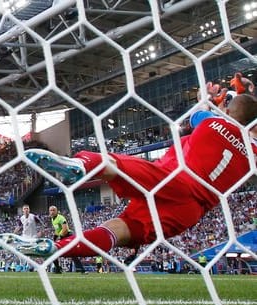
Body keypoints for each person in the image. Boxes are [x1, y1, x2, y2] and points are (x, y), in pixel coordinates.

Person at [21, 88, 257, 261]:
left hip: (174, 180)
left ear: (228, 110)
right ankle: (56, 247)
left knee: (113, 163)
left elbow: (197, 116)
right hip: (190, 211)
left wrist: (204, 101)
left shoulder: (211, 123)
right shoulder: (254, 154)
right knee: (120, 230)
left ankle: (80, 165)